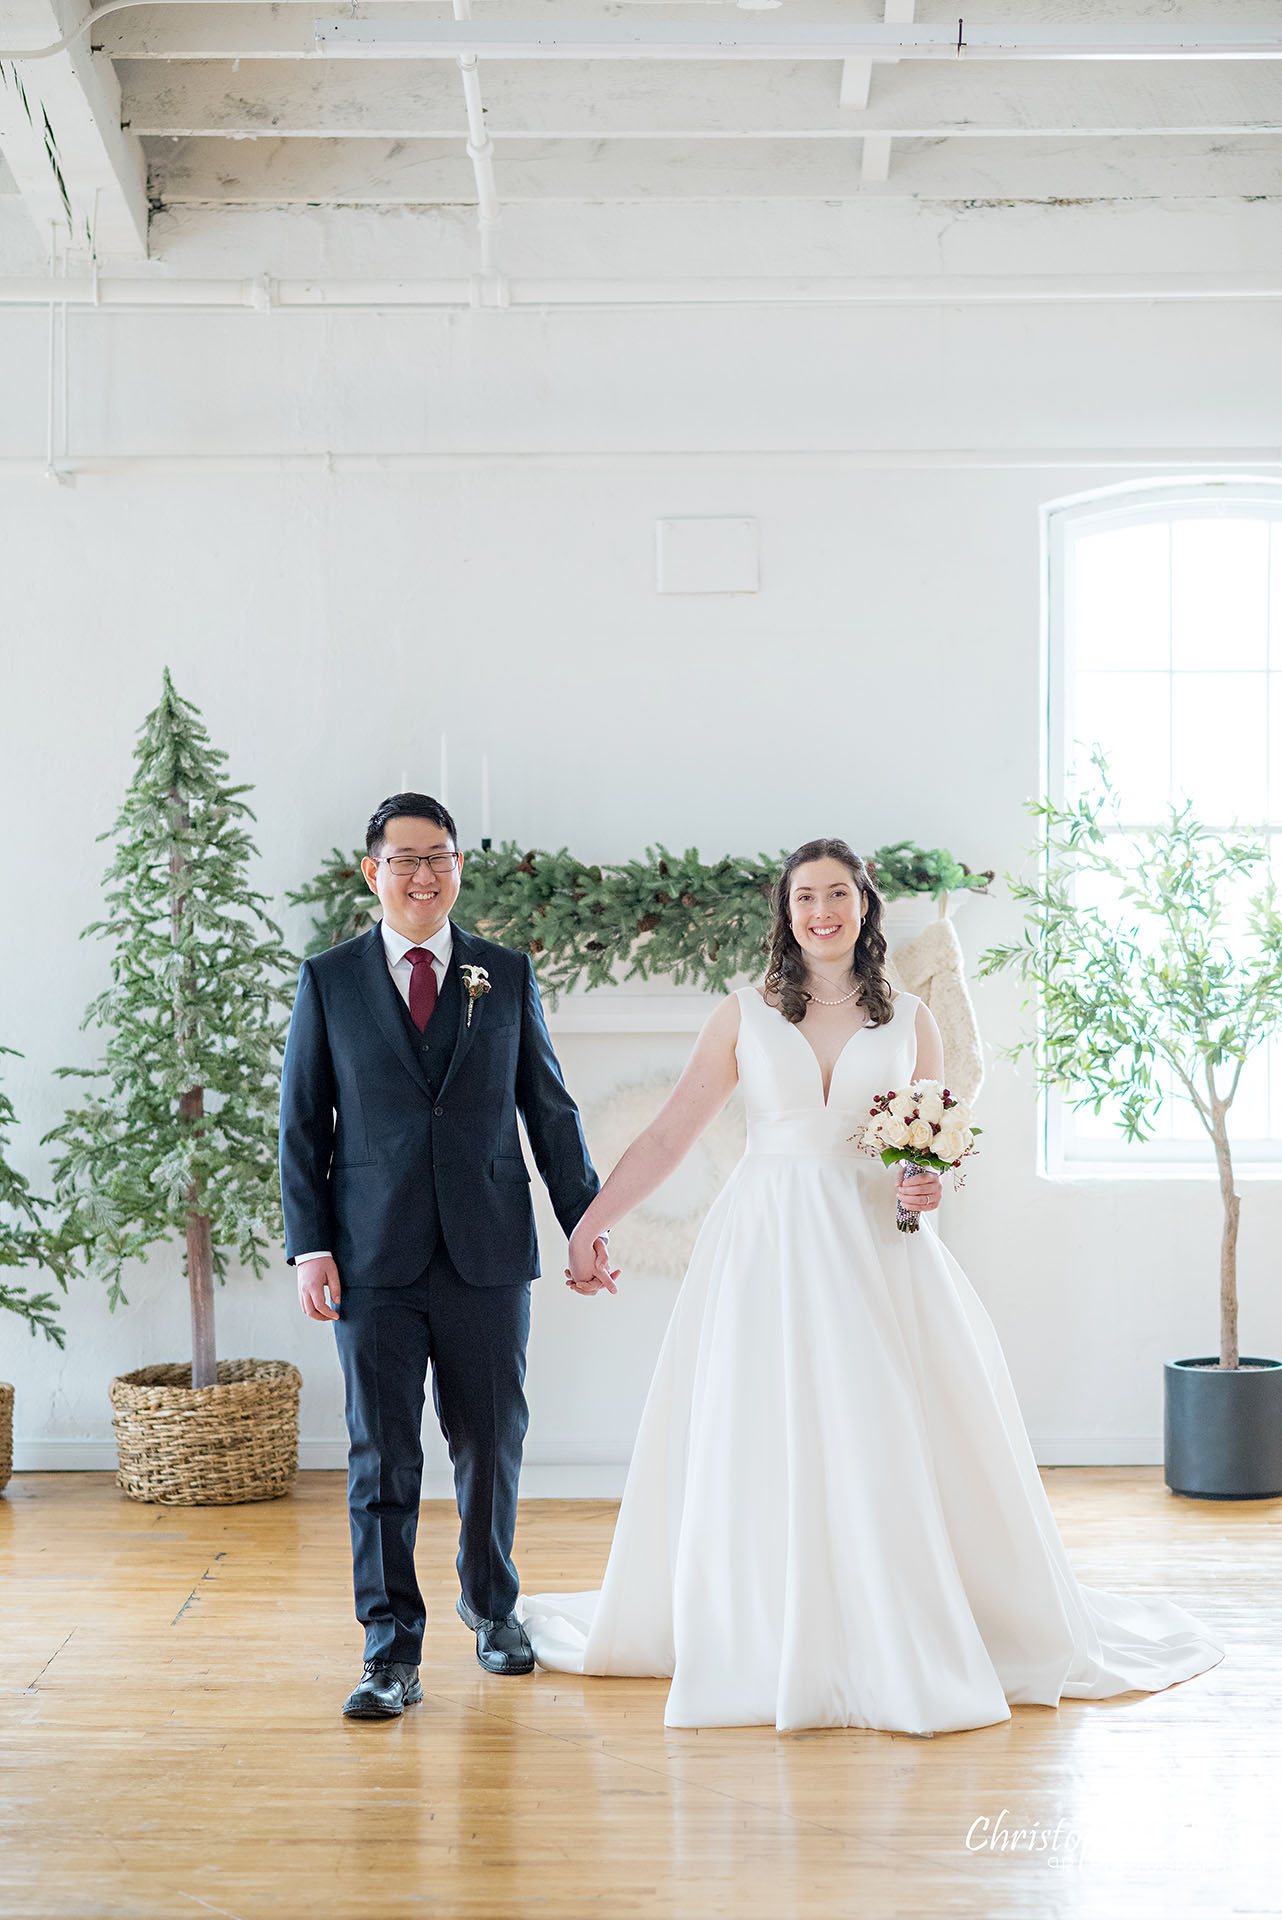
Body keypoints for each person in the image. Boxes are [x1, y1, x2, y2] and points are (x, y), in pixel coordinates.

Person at [518, 837, 1225, 1734]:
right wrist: (591, 1221)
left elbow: (924, 1159)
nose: (822, 911)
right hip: (766, 1241)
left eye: (839, 895)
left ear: (865, 906)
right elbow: (668, 1136)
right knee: (763, 1419)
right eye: (806, 895)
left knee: (881, 1422)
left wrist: (930, 1184)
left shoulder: (914, 1020)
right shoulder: (742, 1014)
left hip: (871, 1246)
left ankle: (895, 1623)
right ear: (786, 911)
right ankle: (766, 1623)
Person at [279, 792, 617, 1719]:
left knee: (491, 1441)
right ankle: (390, 1651)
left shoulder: (502, 974)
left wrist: (585, 1222)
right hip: (371, 1256)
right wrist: (311, 1246)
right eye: (404, 859)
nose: (422, 874)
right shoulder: (330, 979)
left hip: (488, 1251)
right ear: (373, 873)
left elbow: (549, 1111)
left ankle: (493, 1603)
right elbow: (302, 1126)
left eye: (439, 857)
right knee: (381, 1459)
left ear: (459, 867)